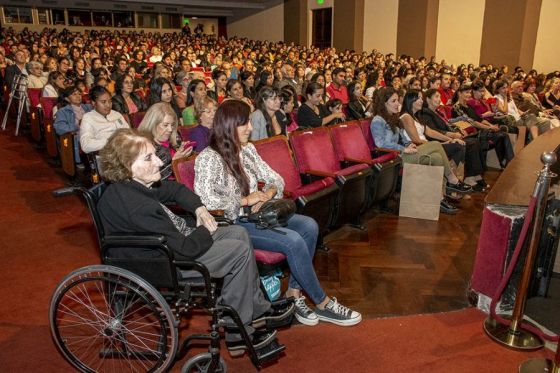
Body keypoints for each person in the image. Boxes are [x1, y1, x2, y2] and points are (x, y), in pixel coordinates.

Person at [97, 128, 293, 357]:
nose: (160, 162)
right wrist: (203, 227)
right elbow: (186, 249)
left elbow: (177, 189)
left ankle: (256, 309)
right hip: (164, 262)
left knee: (239, 232)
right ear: (126, 166)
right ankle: (237, 332)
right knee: (238, 250)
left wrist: (200, 209)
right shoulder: (137, 206)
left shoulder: (133, 185)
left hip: (174, 243)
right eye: (149, 158)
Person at [195, 100, 362, 327]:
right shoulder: (209, 158)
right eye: (244, 124)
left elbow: (276, 178)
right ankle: (323, 304)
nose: (250, 129)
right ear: (228, 125)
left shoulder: (248, 150)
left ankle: (293, 295)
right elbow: (206, 201)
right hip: (233, 224)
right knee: (293, 240)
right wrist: (245, 200)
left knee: (309, 226)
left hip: (259, 214)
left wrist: (268, 193)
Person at [371, 88, 472, 213]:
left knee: (436, 157)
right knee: (435, 144)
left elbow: (403, 138)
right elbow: (381, 144)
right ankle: (452, 180)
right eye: (394, 101)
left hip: (403, 153)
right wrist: (403, 148)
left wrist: (409, 145)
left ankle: (439, 199)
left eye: (397, 100)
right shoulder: (377, 120)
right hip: (395, 158)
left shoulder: (392, 118)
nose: (398, 104)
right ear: (384, 103)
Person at [417, 89, 487, 190]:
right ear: (427, 99)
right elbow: (434, 131)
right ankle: (468, 178)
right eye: (436, 97)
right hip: (438, 141)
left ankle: (475, 175)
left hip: (447, 137)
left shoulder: (436, 112)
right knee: (470, 143)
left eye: (439, 97)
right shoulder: (425, 113)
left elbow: (448, 124)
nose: (439, 99)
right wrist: (453, 135)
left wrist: (458, 131)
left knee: (474, 141)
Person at [137, 102, 192, 180]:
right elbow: (150, 180)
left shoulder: (174, 138)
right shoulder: (145, 146)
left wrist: (185, 153)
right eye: (165, 125)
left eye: (172, 125)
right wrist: (174, 162)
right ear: (153, 123)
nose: (170, 129)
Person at [79, 86, 129, 154]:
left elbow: (128, 132)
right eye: (103, 102)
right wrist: (111, 140)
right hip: (106, 156)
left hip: (125, 150)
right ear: (93, 103)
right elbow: (86, 145)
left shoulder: (116, 114)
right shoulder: (88, 118)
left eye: (110, 101)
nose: (108, 105)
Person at [53, 85, 93, 164]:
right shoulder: (63, 111)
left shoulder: (88, 107)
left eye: (79, 94)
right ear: (67, 98)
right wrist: (77, 124)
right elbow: (59, 128)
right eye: (74, 94)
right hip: (78, 136)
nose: (78, 96)